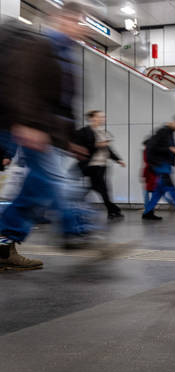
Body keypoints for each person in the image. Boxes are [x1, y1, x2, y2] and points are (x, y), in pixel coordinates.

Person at [0, 2, 103, 270]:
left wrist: (70, 139)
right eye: (77, 21)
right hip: (34, 128)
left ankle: (4, 243)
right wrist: (28, 123)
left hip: (49, 132)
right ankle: (74, 233)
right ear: (62, 19)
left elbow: (63, 103)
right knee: (52, 181)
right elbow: (21, 84)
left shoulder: (66, 52)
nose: (81, 28)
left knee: (38, 188)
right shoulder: (42, 45)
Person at [74, 111, 125, 219]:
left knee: (97, 187)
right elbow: (82, 146)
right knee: (102, 188)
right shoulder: (84, 132)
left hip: (102, 165)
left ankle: (112, 210)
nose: (103, 119)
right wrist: (97, 145)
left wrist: (117, 159)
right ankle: (113, 210)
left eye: (103, 117)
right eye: (100, 117)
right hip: (92, 164)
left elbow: (107, 149)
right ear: (92, 118)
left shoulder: (102, 132)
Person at [142, 115, 175, 220]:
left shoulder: (170, 133)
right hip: (160, 165)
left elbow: (174, 149)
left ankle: (147, 212)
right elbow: (152, 147)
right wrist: (169, 149)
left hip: (164, 166)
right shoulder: (163, 131)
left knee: (159, 191)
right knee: (172, 189)